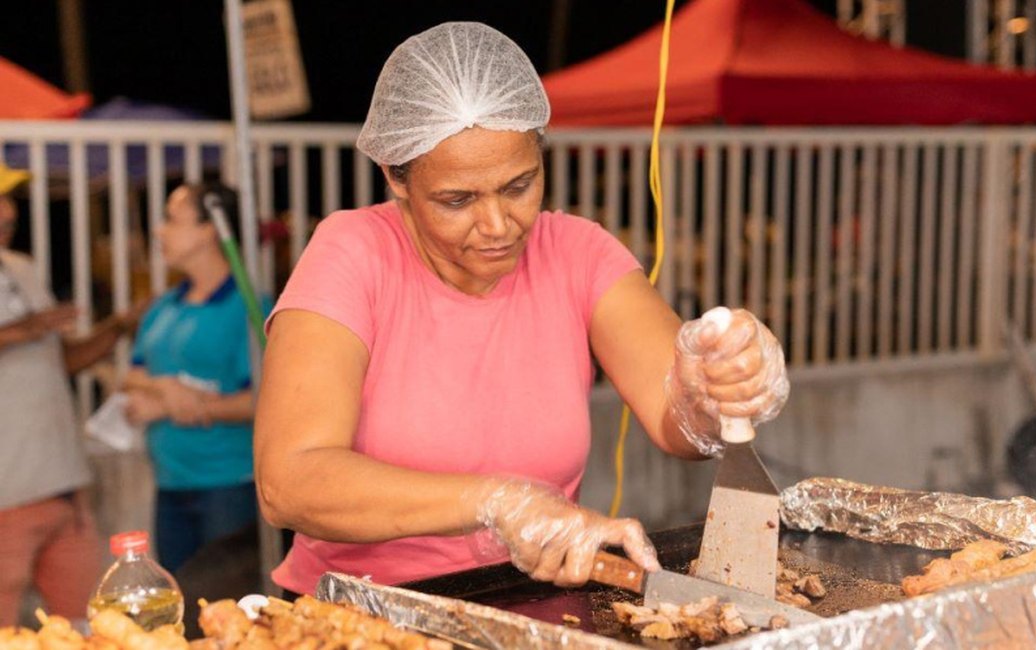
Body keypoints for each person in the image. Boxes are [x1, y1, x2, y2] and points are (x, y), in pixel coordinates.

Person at [255, 22, 789, 596]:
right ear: (395, 177)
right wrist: (496, 501)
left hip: (529, 603)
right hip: (360, 612)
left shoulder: (577, 253)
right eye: (457, 200)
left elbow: (678, 424)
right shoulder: (353, 252)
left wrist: (711, 388)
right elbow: (290, 481)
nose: (497, 226)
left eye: (518, 186)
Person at [0, 163, 143, 626]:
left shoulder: (21, 267)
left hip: (62, 485)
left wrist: (118, 327)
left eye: (10, 201)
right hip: (6, 495)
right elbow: (24, 337)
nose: (7, 214)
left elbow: (60, 361)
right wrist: (16, 332)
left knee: (88, 627)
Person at [122, 182, 272, 573]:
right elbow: (132, 376)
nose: (158, 231)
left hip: (229, 485)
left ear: (209, 230)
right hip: (170, 483)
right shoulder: (165, 306)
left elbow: (266, 398)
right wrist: (167, 391)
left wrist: (196, 406)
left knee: (226, 605)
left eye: (171, 220)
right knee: (181, 605)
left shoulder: (251, 307)